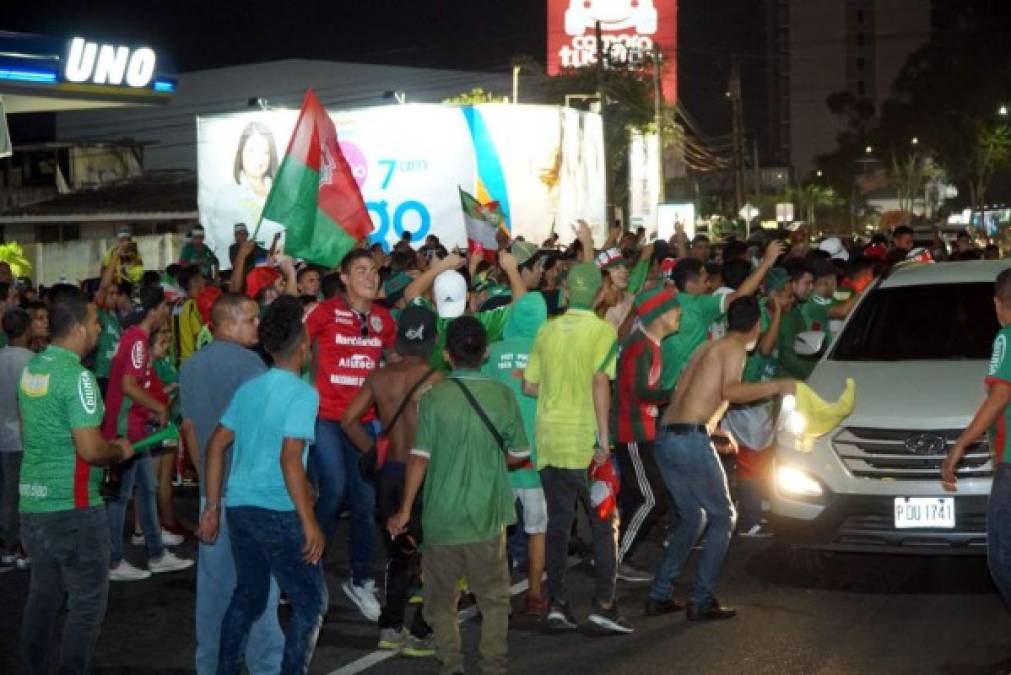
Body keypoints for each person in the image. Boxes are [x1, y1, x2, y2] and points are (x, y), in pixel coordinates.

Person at [388, 317, 530, 675]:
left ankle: (451, 664)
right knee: (494, 600)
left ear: (447, 355)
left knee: (440, 600)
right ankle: (493, 665)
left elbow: (420, 456)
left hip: (442, 516)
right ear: (484, 353)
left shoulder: (433, 398)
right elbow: (519, 454)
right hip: (486, 515)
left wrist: (404, 510)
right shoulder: (502, 395)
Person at [198, 296, 327, 675]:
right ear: (303, 346)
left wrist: (212, 506)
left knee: (249, 597)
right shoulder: (303, 395)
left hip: (240, 508)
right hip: (280, 510)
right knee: (310, 602)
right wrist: (309, 522)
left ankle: (224, 668)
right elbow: (291, 459)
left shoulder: (251, 389)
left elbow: (215, 445)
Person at [646, 297, 796, 620]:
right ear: (756, 325)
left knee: (693, 517)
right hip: (689, 439)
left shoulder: (706, 346)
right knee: (723, 517)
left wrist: (711, 428)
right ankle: (701, 599)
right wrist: (778, 386)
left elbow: (684, 395)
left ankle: (659, 593)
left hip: (669, 435)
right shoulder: (735, 348)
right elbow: (730, 391)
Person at [17, 287, 135, 674]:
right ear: (81, 329)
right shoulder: (77, 378)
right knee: (85, 605)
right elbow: (91, 450)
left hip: (34, 505)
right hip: (74, 506)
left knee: (43, 597)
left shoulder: (33, 368)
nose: (100, 330)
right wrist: (119, 450)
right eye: (96, 323)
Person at [523, 261, 632, 634]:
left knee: (558, 523)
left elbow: (529, 386)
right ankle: (604, 604)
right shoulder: (602, 332)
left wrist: (559, 390)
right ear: (600, 294)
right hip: (584, 442)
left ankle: (558, 604)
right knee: (604, 523)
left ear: (567, 292)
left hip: (549, 439)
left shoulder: (547, 329)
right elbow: (601, 383)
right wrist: (603, 441)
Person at [180, 292, 282, 674]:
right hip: (249, 492)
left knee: (214, 590)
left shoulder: (191, 367)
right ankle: (265, 667)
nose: (258, 326)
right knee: (260, 589)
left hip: (213, 491)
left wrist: (209, 488)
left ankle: (210, 665)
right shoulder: (252, 366)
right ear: (227, 323)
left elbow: (190, 431)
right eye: (252, 319)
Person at [342, 305, 443, 655]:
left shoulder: (380, 377)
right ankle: (421, 630)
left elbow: (348, 420)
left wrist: (374, 451)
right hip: (426, 474)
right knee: (435, 553)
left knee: (398, 553)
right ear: (432, 341)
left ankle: (389, 626)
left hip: (390, 475)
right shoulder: (437, 381)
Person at [305, 248, 395, 620]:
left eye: (374, 271)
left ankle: (360, 579)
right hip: (325, 416)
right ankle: (305, 568)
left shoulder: (384, 320)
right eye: (361, 270)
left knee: (366, 503)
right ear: (343, 277)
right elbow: (294, 348)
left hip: (365, 421)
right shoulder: (324, 313)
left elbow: (394, 363)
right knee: (335, 489)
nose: (370, 278)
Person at [103, 286, 193, 581]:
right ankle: (114, 561)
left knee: (147, 490)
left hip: (135, 427)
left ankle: (156, 554)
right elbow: (129, 385)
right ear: (154, 311)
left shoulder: (133, 338)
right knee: (120, 496)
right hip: (126, 428)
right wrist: (159, 407)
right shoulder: (139, 342)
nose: (168, 314)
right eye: (165, 308)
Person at [941, 268, 1011, 603]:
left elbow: (999, 397)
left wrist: (960, 446)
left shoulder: (1006, 337)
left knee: (1002, 558)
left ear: (999, 304)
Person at [482, 291, 550, 612]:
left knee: (497, 531)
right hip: (536, 457)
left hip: (499, 456)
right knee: (537, 530)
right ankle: (535, 593)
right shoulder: (548, 352)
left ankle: (496, 595)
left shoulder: (492, 352)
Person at [611, 287, 682, 582]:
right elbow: (640, 392)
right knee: (652, 497)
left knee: (638, 495)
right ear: (661, 315)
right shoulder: (640, 347)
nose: (680, 314)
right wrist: (675, 394)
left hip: (641, 430)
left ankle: (615, 554)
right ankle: (616, 559)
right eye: (676, 309)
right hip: (633, 432)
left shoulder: (648, 343)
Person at [660, 241, 785, 392]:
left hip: (665, 387)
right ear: (690, 284)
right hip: (687, 391)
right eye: (704, 281)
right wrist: (766, 263)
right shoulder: (698, 304)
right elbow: (738, 296)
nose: (709, 286)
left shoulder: (663, 302)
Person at [210, 121, 280, 262]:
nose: (258, 158)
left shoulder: (279, 193)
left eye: (265, 152)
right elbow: (221, 243)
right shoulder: (227, 196)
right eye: (251, 150)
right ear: (241, 151)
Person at [0, 308, 32, 567]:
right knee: (23, 494)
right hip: (23, 437)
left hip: (3, 436)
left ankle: (9, 544)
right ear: (28, 330)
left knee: (8, 492)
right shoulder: (32, 362)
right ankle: (18, 546)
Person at [775, 259, 818, 380]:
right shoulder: (786, 312)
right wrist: (813, 374)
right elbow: (786, 353)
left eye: (812, 283)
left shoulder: (794, 309)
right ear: (792, 284)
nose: (811, 288)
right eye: (807, 283)